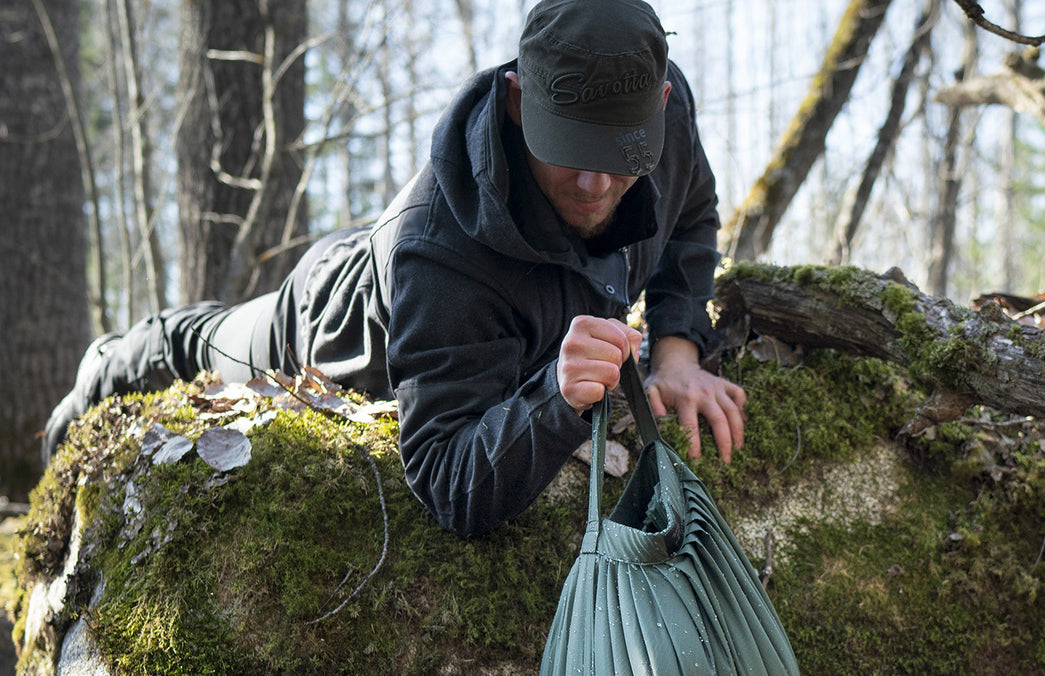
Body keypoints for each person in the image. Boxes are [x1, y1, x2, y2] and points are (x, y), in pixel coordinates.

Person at [43, 0, 745, 537]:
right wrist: (554, 401)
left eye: (617, 155)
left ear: (660, 106)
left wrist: (677, 353)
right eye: (568, 150)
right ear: (518, 100)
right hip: (337, 318)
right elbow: (445, 477)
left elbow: (690, 216)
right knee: (201, 344)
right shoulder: (437, 256)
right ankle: (102, 369)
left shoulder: (660, 119)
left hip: (405, 264)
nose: (594, 184)